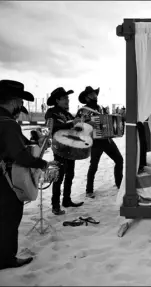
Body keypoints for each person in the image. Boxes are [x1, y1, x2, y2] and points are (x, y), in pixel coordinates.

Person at [0, 80, 54, 270]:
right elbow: (21, 156)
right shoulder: (8, 124)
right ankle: (6, 259)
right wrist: (42, 163)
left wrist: (32, 141)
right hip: (8, 177)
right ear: (14, 101)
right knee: (10, 218)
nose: (20, 108)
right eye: (20, 103)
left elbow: (11, 144)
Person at [76, 86, 124, 198]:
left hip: (106, 139)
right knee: (94, 166)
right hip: (95, 141)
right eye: (92, 95)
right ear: (86, 98)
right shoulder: (83, 110)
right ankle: (89, 190)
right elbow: (78, 126)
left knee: (119, 160)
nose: (95, 96)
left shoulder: (100, 108)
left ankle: (119, 183)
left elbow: (107, 121)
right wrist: (88, 124)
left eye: (95, 94)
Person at [45, 87, 84, 215]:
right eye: (65, 98)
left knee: (70, 174)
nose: (68, 100)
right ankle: (55, 205)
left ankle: (66, 200)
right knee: (59, 176)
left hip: (70, 148)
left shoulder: (67, 114)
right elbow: (53, 128)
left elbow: (73, 129)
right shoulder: (51, 112)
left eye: (68, 98)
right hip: (59, 148)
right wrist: (72, 123)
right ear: (57, 100)